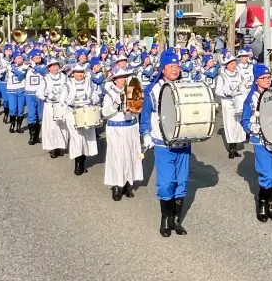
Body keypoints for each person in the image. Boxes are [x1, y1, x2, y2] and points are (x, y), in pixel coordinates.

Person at [141, 50, 190, 237]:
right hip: (162, 143)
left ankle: (176, 221)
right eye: (170, 67)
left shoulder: (185, 87)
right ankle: (165, 220)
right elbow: (145, 115)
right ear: (162, 69)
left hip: (183, 142)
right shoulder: (152, 90)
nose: (175, 69)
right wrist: (145, 133)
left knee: (182, 182)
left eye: (177, 66)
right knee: (165, 183)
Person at [241, 64, 272, 223]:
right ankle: (261, 207)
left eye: (268, 78)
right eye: (263, 78)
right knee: (266, 174)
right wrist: (251, 127)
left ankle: (271, 208)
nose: (267, 81)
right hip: (260, 140)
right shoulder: (251, 99)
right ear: (256, 81)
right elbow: (244, 120)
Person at [101, 66, 144, 201]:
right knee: (117, 157)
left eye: (125, 77)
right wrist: (116, 103)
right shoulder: (110, 93)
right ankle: (116, 186)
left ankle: (127, 184)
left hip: (130, 127)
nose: (123, 80)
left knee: (130, 156)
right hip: (116, 129)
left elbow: (139, 110)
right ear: (115, 80)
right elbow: (105, 113)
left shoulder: (133, 90)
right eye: (120, 78)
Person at [60, 63, 100, 176]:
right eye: (77, 72)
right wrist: (70, 101)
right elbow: (62, 99)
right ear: (73, 73)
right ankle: (77, 165)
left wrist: (93, 99)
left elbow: (96, 95)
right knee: (77, 138)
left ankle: (82, 163)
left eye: (81, 72)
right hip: (73, 114)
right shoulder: (67, 84)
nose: (79, 74)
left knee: (87, 139)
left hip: (87, 113)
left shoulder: (89, 83)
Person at [215, 53, 246, 158]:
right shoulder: (222, 76)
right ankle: (231, 149)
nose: (233, 65)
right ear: (226, 65)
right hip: (228, 102)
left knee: (238, 125)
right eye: (231, 63)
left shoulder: (239, 75)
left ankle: (235, 147)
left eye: (234, 63)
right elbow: (217, 91)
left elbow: (243, 87)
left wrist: (242, 91)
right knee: (230, 125)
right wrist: (226, 92)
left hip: (238, 101)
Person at [37, 59, 69, 158]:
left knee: (62, 126)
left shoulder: (64, 77)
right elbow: (39, 92)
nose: (55, 68)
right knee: (52, 127)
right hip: (50, 106)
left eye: (57, 66)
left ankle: (60, 146)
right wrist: (46, 97)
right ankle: (53, 147)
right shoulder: (45, 78)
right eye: (53, 66)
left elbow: (68, 88)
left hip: (61, 105)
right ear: (49, 68)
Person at [24, 50, 47, 146]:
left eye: (39, 57)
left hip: (40, 94)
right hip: (29, 94)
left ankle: (37, 136)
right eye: (36, 58)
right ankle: (32, 137)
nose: (38, 59)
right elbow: (20, 75)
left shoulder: (43, 66)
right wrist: (24, 67)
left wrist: (35, 66)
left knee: (40, 115)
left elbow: (45, 72)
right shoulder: (27, 66)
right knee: (32, 114)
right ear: (32, 58)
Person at [6, 51, 28, 134]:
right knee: (12, 109)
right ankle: (12, 125)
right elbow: (19, 74)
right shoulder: (10, 66)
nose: (20, 59)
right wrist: (24, 70)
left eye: (21, 58)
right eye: (18, 58)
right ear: (14, 60)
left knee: (21, 110)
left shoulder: (26, 66)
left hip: (21, 90)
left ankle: (19, 127)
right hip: (12, 90)